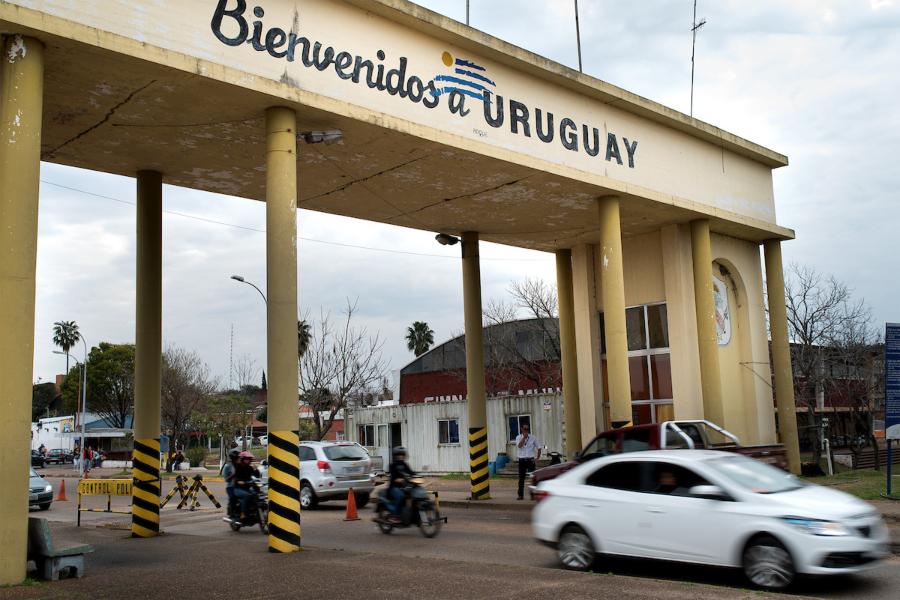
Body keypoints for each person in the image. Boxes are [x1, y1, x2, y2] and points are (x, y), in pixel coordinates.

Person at [386, 446, 414, 522]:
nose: (401, 456)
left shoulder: (405, 465)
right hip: (394, 487)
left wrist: (418, 476)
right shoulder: (392, 465)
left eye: (402, 454)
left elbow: (411, 473)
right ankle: (395, 516)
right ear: (395, 455)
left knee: (414, 494)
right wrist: (399, 479)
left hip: (404, 487)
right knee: (401, 496)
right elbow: (394, 477)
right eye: (399, 454)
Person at [515, 423, 541, 500]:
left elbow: (539, 448)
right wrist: (523, 438)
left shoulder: (533, 437)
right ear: (522, 429)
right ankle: (520, 495)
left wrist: (537, 458)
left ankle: (533, 495)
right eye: (525, 429)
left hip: (530, 460)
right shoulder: (518, 437)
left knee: (533, 478)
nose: (526, 430)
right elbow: (519, 446)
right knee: (521, 478)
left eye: (528, 429)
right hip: (522, 460)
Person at [232, 451, 260, 521]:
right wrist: (240, 481)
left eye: (248, 459)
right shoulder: (238, 467)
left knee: (256, 494)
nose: (247, 460)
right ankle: (243, 513)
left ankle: (254, 511)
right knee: (247, 495)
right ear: (242, 459)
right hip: (238, 488)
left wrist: (256, 470)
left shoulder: (250, 468)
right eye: (246, 459)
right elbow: (236, 477)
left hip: (247, 488)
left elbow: (256, 476)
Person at [222, 449, 241, 517]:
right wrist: (233, 475)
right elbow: (226, 479)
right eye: (237, 457)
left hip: (240, 486)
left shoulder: (240, 465)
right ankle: (232, 513)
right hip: (231, 487)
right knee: (233, 498)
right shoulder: (227, 467)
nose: (239, 458)